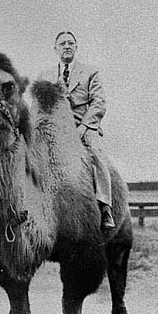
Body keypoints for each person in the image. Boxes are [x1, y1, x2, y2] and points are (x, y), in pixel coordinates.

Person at [37, 31, 115, 230]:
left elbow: (99, 103)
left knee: (96, 156)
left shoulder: (90, 72)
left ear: (76, 47)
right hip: (54, 129)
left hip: (83, 126)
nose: (67, 46)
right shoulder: (45, 76)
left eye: (70, 43)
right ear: (55, 49)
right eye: (62, 43)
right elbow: (37, 105)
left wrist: (84, 127)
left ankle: (105, 206)